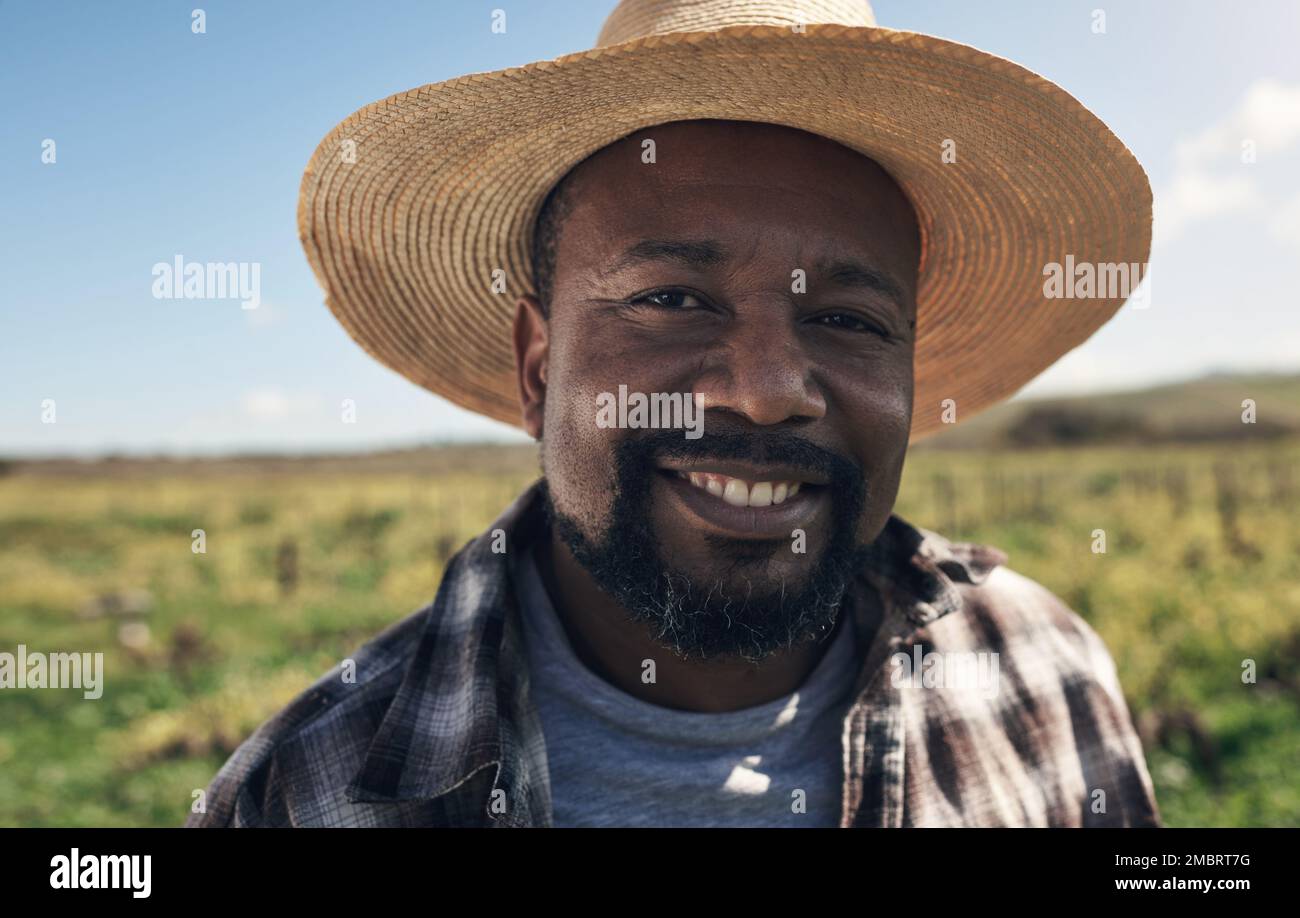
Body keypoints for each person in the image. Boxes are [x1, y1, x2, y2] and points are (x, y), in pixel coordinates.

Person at [189, 0, 1160, 827]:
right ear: (538, 364)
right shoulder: (304, 792)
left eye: (845, 318)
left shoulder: (1047, 672)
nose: (769, 388)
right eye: (671, 299)